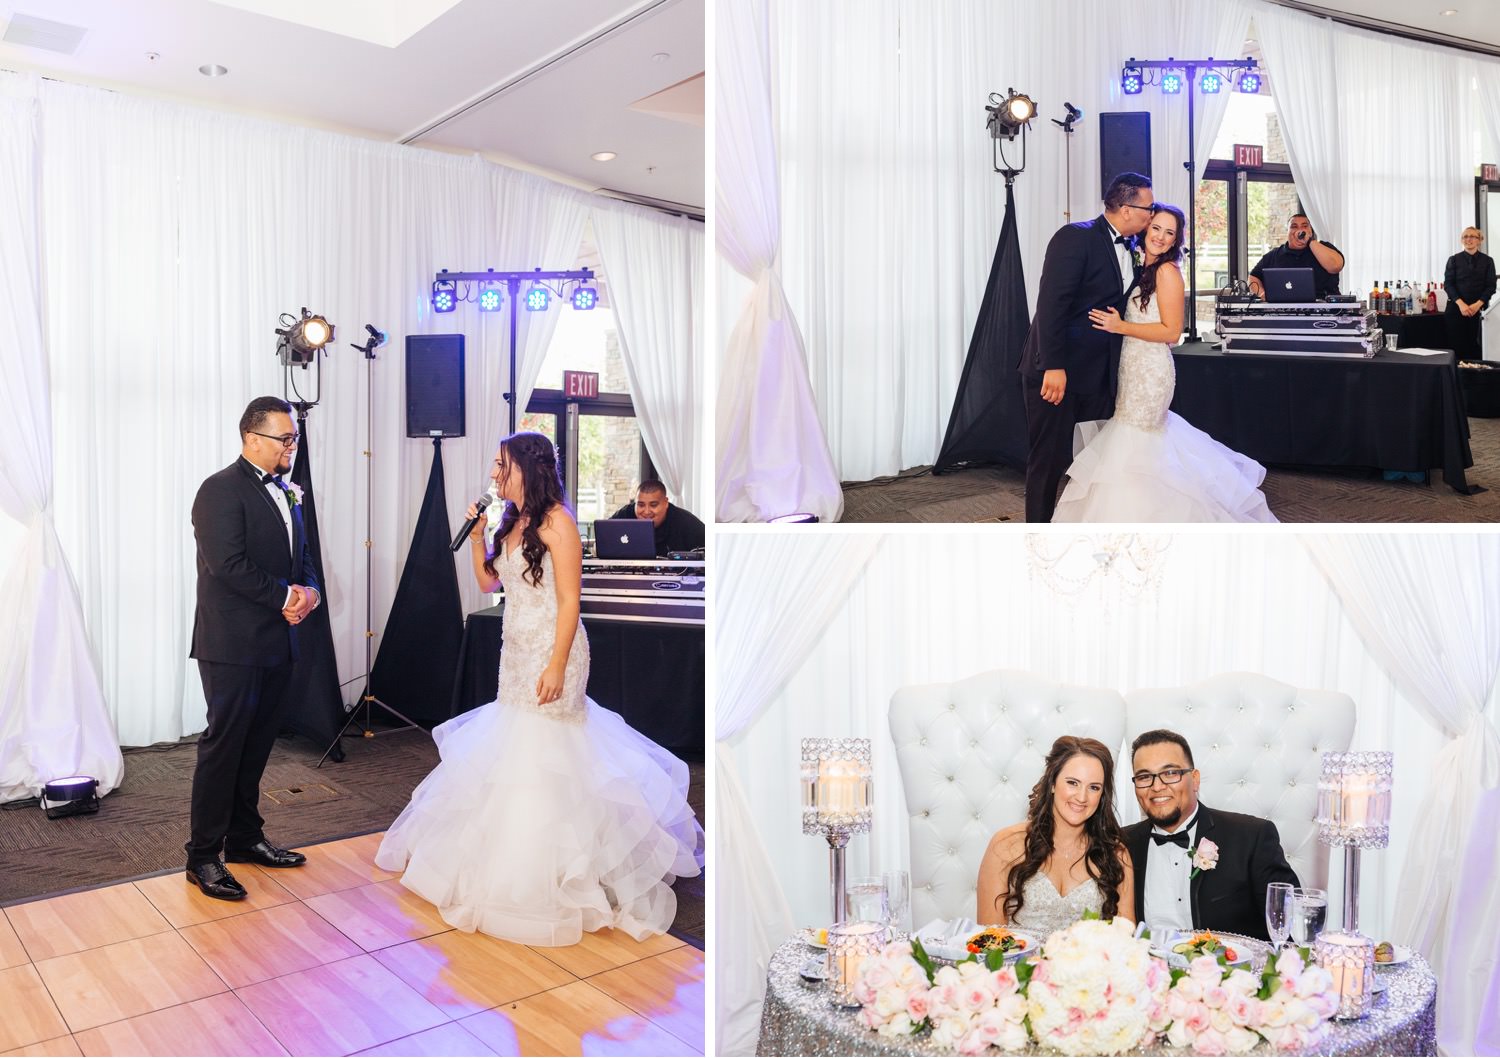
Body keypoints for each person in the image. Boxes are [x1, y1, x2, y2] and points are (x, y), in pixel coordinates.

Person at [376, 432, 703, 945]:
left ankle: (563, 869)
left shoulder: (559, 522)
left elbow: (571, 601)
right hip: (516, 650)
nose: (494, 472)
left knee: (552, 750)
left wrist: (555, 664)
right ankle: (508, 858)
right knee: (514, 746)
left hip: (556, 650)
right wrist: (481, 535)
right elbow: (489, 584)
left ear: (527, 468)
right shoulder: (510, 520)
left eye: (501, 463)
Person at [1052, 203, 1278, 523]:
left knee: (1136, 441)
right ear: (1145, 227)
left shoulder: (1168, 272)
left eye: (1169, 233)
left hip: (1151, 373)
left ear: (1175, 241)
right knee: (1133, 440)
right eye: (1156, 228)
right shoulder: (1140, 266)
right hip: (1130, 367)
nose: (1160, 237)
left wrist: (1121, 326)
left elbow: (1171, 332)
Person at [186, 396, 320, 900]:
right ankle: (202, 857)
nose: (292, 445)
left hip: (277, 640)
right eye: (284, 438)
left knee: (258, 744)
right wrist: (286, 596)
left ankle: (244, 839)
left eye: (294, 438)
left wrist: (309, 593)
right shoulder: (218, 490)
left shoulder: (288, 492)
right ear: (251, 438)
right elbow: (229, 565)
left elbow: (301, 556)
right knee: (224, 747)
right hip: (232, 643)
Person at [1019, 172, 1153, 523]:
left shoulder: (1134, 247)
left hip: (1098, 374)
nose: (1150, 215)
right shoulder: (1075, 237)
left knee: (1097, 460)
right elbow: (1050, 305)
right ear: (1126, 209)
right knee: (1049, 460)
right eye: (1147, 208)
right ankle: (1036, 537)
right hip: (1058, 373)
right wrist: (1052, 365)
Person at [1121, 729, 1299, 942]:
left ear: (1194, 780)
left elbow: (1289, 928)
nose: (1157, 786)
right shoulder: (1121, 844)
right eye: (1144, 777)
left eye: (1170, 773)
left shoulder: (1252, 837)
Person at [975, 736, 1134, 939]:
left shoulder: (1116, 855)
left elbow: (1126, 942)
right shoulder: (1006, 845)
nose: (1082, 797)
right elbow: (990, 942)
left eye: (1094, 787)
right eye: (1072, 783)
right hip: (1017, 968)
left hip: (1089, 970)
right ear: (1052, 783)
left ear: (1102, 795)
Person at [1248, 213, 1344, 299]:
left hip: (1324, 310)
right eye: (1294, 227)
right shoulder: (1274, 255)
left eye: (1305, 226)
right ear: (1288, 232)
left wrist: (1310, 241)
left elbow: (1335, 266)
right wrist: (1262, 294)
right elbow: (1253, 277)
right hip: (1284, 312)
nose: (1300, 230)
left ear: (1311, 230)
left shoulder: (1324, 247)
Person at [609, 480, 705, 556]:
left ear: (666, 503)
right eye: (641, 505)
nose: (646, 512)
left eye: (653, 505)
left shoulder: (686, 522)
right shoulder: (625, 514)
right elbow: (605, 536)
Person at [1444, 226, 1496, 361]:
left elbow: (1491, 287)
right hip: (1456, 310)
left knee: (1477, 349)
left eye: (1472, 236)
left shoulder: (1488, 261)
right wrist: (1461, 305)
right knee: (1456, 350)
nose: (1468, 239)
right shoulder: (1453, 260)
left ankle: (1476, 380)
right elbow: (1448, 284)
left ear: (1479, 240)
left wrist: (1477, 305)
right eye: (1465, 236)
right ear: (1462, 240)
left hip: (1479, 311)